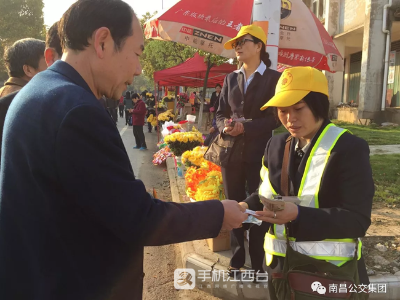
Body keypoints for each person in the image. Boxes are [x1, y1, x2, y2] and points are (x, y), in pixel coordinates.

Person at [0, 1, 248, 299]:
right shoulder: (76, 111)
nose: (139, 68)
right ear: (102, 41)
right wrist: (219, 212)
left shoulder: (41, 89)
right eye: (137, 52)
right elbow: (140, 221)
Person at [240, 67, 373, 299]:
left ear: (319, 104)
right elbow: (265, 192)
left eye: (299, 109)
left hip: (331, 276)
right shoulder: (276, 146)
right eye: (282, 111)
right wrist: (243, 208)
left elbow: (356, 220)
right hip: (280, 273)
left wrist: (297, 215)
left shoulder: (349, 149)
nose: (290, 119)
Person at [217, 24, 281, 278]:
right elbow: (220, 113)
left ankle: (257, 260)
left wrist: (247, 127)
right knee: (232, 203)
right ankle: (236, 256)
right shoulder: (231, 78)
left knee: (257, 205)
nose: (238, 46)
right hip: (230, 153)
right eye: (236, 43)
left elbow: (276, 119)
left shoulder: (274, 79)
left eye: (244, 41)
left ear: (259, 46)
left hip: (260, 154)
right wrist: (225, 128)